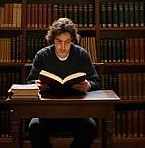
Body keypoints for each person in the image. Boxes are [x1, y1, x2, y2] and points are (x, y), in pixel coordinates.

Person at [27, 17, 99, 148]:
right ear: (52, 40)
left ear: (72, 41)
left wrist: (88, 85)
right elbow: (30, 82)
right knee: (34, 127)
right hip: (47, 113)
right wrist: (36, 86)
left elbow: (95, 80)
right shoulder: (42, 55)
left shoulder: (81, 54)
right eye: (59, 42)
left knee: (90, 127)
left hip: (76, 112)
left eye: (67, 42)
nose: (63, 47)